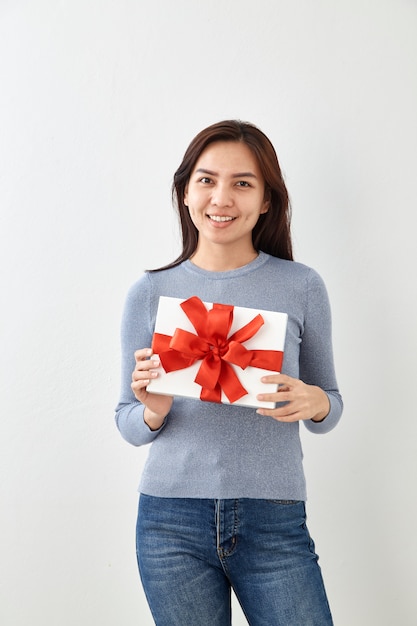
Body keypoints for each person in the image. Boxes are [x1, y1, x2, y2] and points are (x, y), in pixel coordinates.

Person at [115, 120, 343, 625]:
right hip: (169, 521)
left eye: (243, 183)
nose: (222, 197)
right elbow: (127, 421)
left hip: (274, 516)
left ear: (266, 201)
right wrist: (152, 411)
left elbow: (329, 406)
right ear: (185, 192)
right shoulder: (150, 292)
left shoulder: (301, 286)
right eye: (206, 179)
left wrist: (316, 402)